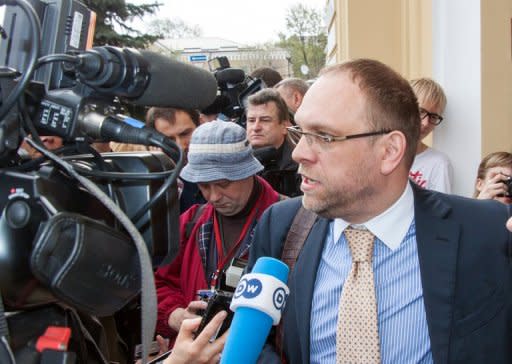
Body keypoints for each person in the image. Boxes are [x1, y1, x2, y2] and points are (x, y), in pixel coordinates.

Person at [248, 59, 512, 363]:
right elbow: (255, 342)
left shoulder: (490, 233)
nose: (299, 153)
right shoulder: (279, 225)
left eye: (323, 137)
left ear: (389, 151)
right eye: (300, 131)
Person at [154, 120, 281, 345]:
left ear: (248, 171)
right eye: (203, 185)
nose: (213, 197)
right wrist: (175, 315)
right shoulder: (189, 222)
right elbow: (159, 284)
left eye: (223, 183)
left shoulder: (288, 223)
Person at [246, 88, 301, 197]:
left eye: (265, 120)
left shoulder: (301, 165)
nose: (256, 127)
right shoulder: (237, 163)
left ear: (285, 126)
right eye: (251, 120)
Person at [408, 77, 454, 193]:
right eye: (421, 111)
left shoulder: (438, 164)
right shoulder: (379, 152)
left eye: (433, 117)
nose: (425, 123)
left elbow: (439, 208)